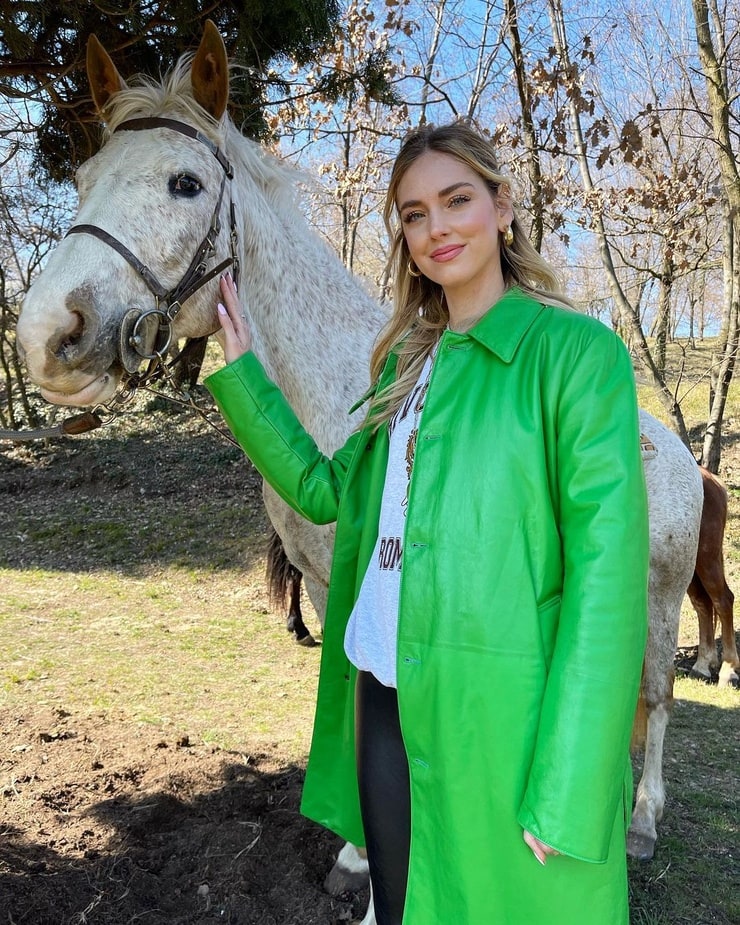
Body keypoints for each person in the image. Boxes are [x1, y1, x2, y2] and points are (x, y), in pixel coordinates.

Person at [205, 121, 649, 925]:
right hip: (383, 687)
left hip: (501, 715)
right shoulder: (405, 362)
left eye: (455, 200)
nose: (436, 227)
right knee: (405, 902)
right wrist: (245, 376)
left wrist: (573, 778)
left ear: (502, 207)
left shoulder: (578, 356)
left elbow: (606, 583)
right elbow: (323, 487)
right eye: (414, 214)